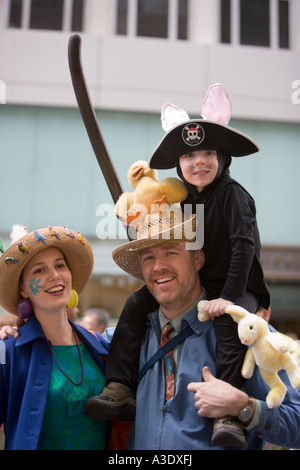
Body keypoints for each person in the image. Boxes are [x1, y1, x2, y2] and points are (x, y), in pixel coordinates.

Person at [86, 85, 270, 446]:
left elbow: (244, 248)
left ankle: (228, 412)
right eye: (188, 157)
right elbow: (157, 224)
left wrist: (230, 299)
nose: (198, 162)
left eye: (208, 153)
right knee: (136, 303)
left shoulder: (233, 195)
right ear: (178, 166)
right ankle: (121, 385)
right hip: (205, 284)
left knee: (230, 329)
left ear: (222, 158)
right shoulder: (185, 201)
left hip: (239, 286)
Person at [102, 206, 300, 450]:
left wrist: (243, 407)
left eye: (171, 252)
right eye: (148, 257)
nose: (158, 267)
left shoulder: (249, 335)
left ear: (198, 259)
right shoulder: (128, 339)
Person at [0, 226, 109, 450]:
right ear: (23, 289)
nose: (55, 275)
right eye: (39, 270)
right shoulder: (8, 350)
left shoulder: (101, 345)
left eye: (60, 265)